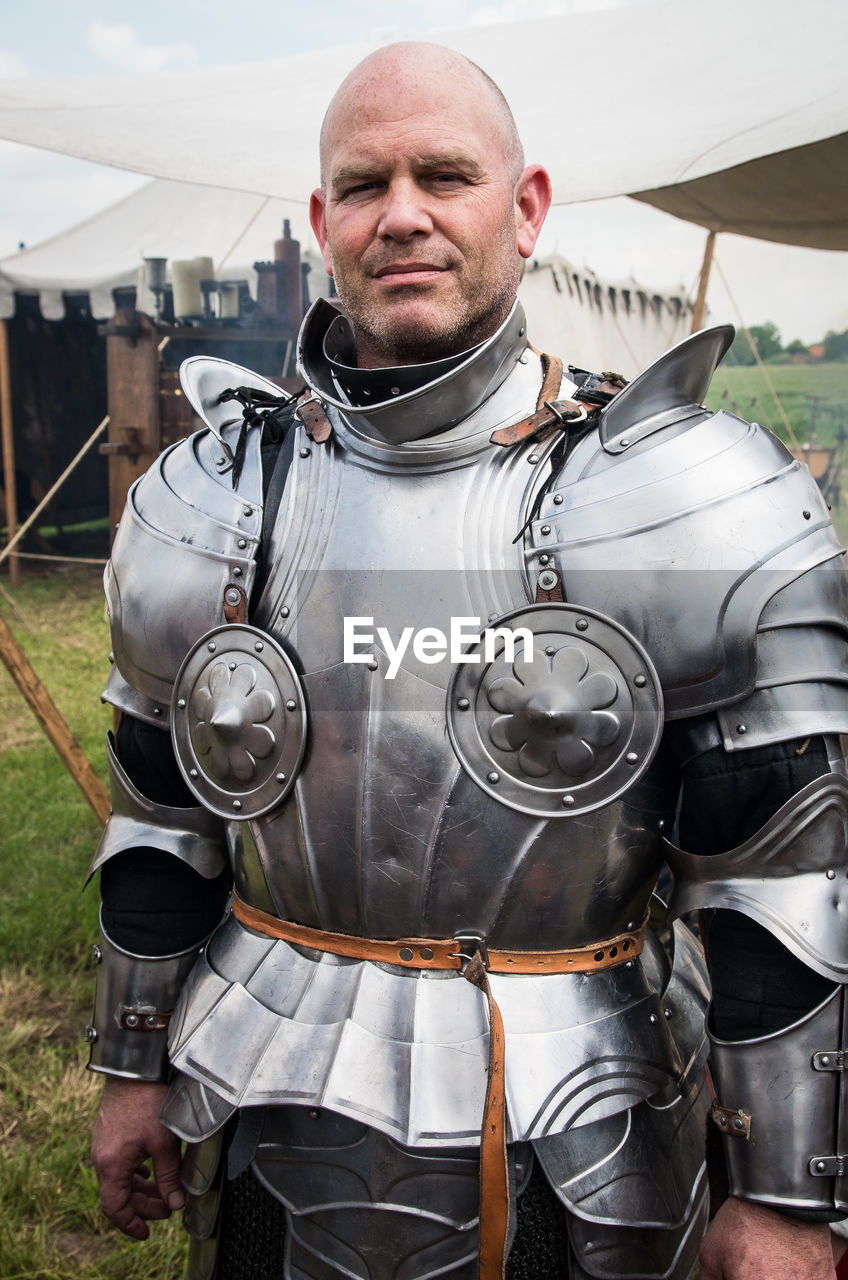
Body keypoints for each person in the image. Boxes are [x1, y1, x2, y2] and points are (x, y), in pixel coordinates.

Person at [87, 41, 847, 1280]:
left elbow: (784, 872)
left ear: (525, 205)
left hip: (577, 1119)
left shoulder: (675, 492)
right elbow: (161, 816)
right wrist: (130, 1065)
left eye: (444, 174)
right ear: (321, 218)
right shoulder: (212, 496)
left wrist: (786, 1197)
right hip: (259, 1090)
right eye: (363, 183)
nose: (403, 215)